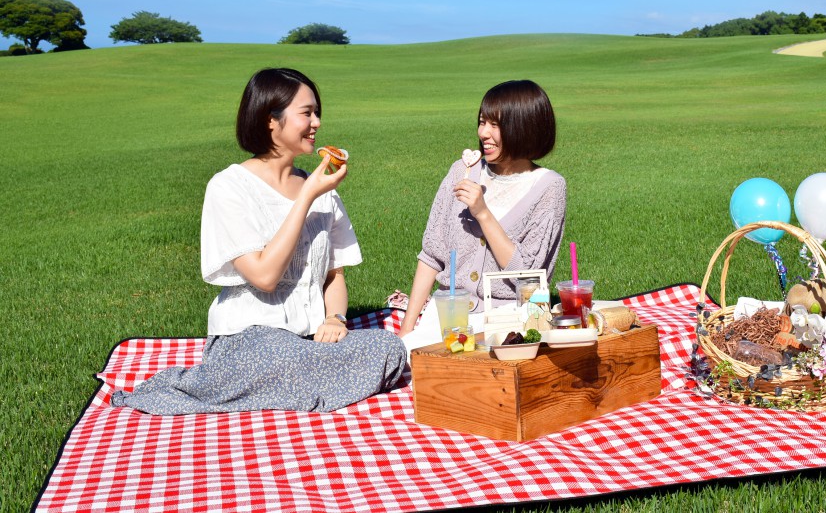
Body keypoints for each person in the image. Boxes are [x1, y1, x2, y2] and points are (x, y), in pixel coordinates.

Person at [112, 68, 407, 414]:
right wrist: (306, 197)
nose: (317, 123)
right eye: (307, 113)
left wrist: (336, 319)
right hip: (250, 340)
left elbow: (334, 276)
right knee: (276, 356)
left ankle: (289, 390)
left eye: (317, 112)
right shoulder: (229, 187)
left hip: (309, 342)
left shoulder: (321, 190)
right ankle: (292, 387)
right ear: (271, 120)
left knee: (388, 348)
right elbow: (264, 276)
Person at [399, 79, 566, 339]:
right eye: (481, 122)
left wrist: (483, 213)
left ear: (524, 127)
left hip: (509, 321)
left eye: (495, 125)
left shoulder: (549, 187)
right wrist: (407, 330)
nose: (483, 133)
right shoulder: (462, 171)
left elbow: (528, 278)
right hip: (447, 316)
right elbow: (432, 255)